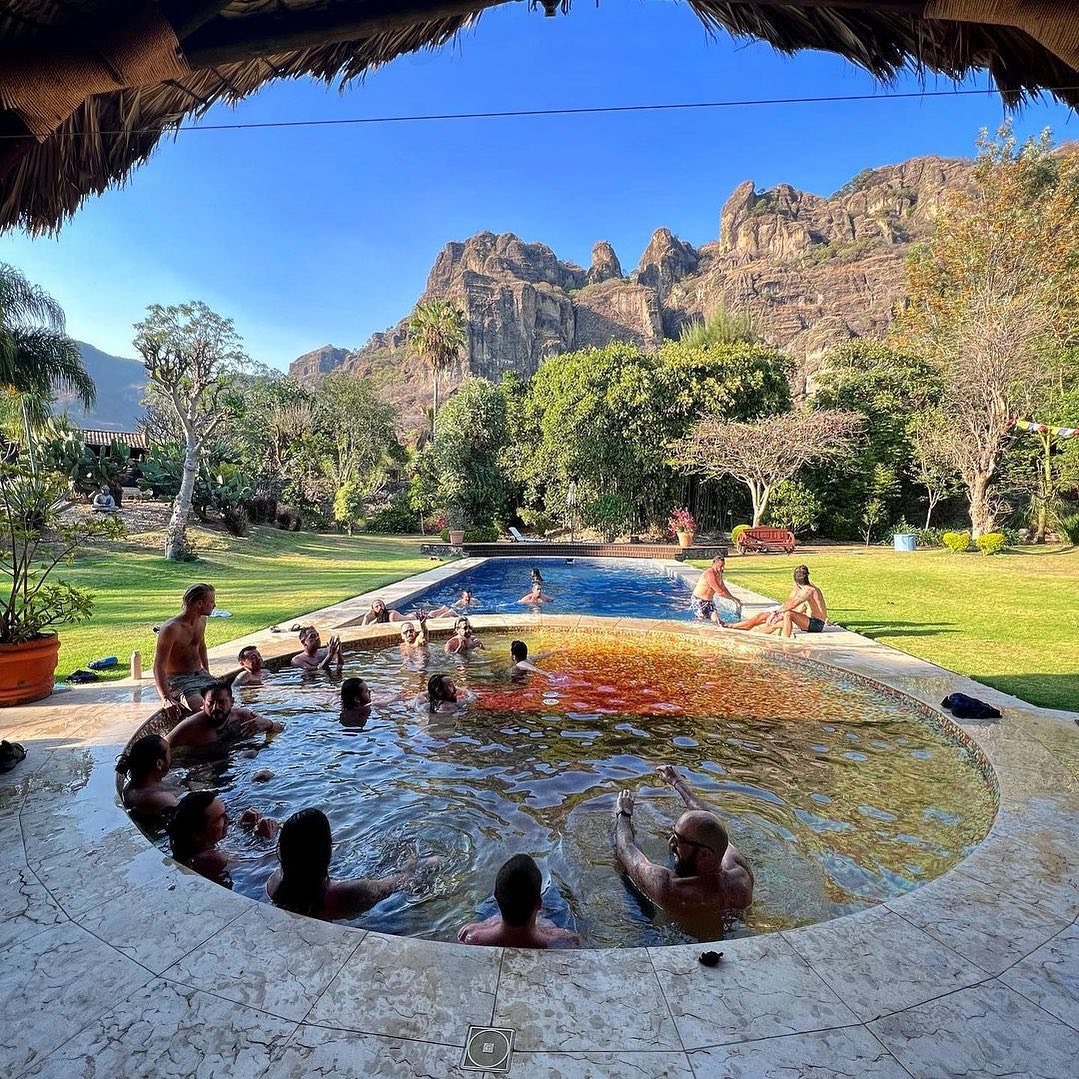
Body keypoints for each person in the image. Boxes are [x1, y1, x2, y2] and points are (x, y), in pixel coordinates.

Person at [612, 765, 753, 921]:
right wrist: (676, 781)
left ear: (704, 853)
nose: (671, 843)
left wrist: (623, 813)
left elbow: (626, 850)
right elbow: (710, 821)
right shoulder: (740, 874)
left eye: (679, 840)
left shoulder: (669, 888)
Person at [267, 808, 438, 920]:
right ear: (326, 848)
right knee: (432, 863)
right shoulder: (346, 894)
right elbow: (400, 882)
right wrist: (417, 861)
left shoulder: (274, 883)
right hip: (371, 922)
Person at [457, 854, 579, 949]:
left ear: (496, 898)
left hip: (494, 924)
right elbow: (575, 941)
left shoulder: (471, 935)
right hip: (539, 925)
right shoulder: (559, 939)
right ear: (539, 904)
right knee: (555, 892)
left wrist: (486, 925)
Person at [153, 583, 216, 712]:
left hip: (200, 674)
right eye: (212, 601)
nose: (214, 605)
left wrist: (207, 673)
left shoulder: (202, 620)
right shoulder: (171, 629)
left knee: (226, 704)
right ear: (200, 604)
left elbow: (201, 647)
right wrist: (166, 697)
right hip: (179, 680)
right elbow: (159, 666)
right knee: (204, 711)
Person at [166, 682, 282, 749]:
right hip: (204, 766)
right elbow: (161, 746)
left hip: (240, 760)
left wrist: (268, 724)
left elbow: (279, 727)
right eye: (210, 703)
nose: (216, 708)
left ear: (232, 702)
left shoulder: (243, 716)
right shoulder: (191, 727)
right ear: (203, 703)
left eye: (221, 702)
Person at [728, 565, 828, 637]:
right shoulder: (805, 588)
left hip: (816, 624)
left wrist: (777, 612)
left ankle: (785, 640)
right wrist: (777, 614)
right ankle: (745, 633)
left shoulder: (809, 591)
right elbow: (792, 604)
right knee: (773, 620)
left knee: (788, 614)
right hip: (809, 621)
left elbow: (792, 605)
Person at [169, 791, 231, 885]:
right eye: (219, 818)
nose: (228, 819)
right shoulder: (214, 859)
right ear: (197, 834)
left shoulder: (185, 850)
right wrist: (260, 836)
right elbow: (251, 864)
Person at [116, 734, 181, 814]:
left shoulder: (136, 785)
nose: (171, 756)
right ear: (159, 764)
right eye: (169, 752)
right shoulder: (161, 799)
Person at [692, 555, 741, 623]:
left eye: (723, 565)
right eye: (720, 566)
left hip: (709, 602)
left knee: (717, 621)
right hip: (699, 600)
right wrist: (733, 599)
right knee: (701, 622)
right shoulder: (709, 574)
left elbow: (723, 588)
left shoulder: (719, 574)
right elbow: (720, 593)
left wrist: (734, 598)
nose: (722, 568)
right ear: (714, 565)